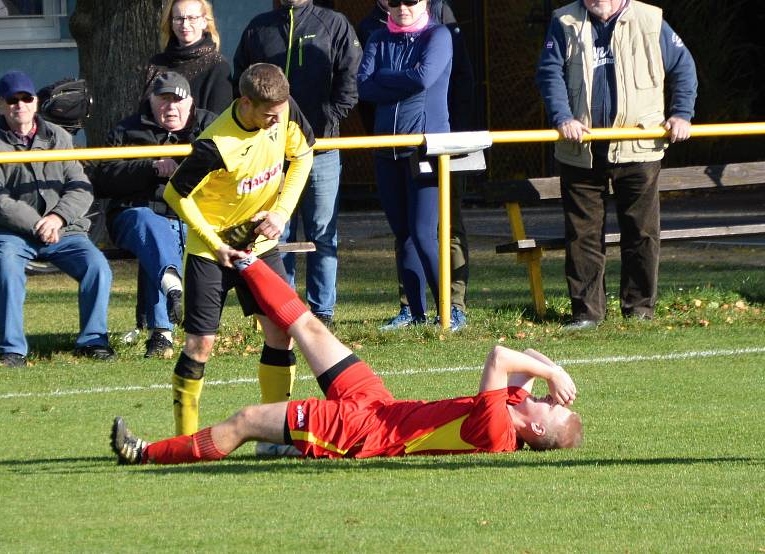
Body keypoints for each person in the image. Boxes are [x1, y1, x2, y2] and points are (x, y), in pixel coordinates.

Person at [111, 253, 582, 464]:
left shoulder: (498, 433)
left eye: (550, 406)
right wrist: (551, 369)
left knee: (247, 418)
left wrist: (555, 371)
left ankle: (146, 454)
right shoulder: (516, 403)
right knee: (310, 326)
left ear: (536, 429)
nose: (544, 395)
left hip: (363, 433)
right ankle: (246, 258)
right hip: (379, 405)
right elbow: (528, 359)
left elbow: (501, 355)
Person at [162, 63, 315, 451]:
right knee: (200, 345)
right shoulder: (215, 145)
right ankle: (184, 443)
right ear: (245, 103)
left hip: (259, 249)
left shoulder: (283, 108)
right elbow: (174, 194)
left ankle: (275, 436)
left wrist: (281, 213)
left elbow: (304, 155)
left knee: (281, 333)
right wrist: (214, 243)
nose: (276, 119)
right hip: (211, 252)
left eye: (280, 112)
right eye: (268, 114)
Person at [536, 0, 697, 330]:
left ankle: (639, 311)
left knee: (641, 233)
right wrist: (563, 117)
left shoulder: (651, 19)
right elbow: (549, 72)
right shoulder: (563, 20)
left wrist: (681, 113)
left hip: (639, 148)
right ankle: (587, 314)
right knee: (582, 236)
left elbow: (684, 67)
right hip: (580, 149)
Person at [0, 71, 114, 367]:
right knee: (7, 270)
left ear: (35, 103)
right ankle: (12, 350)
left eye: (26, 98)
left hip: (65, 230)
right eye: (12, 100)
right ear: (0, 105)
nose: (19, 105)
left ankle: (93, 341)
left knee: (97, 267)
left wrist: (58, 218)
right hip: (12, 233)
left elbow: (80, 185)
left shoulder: (58, 137)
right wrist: (38, 223)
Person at [232, 0, 362, 327]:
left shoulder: (334, 23)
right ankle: (282, 307)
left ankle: (322, 313)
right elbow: (240, 80)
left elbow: (350, 79)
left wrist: (325, 121)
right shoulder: (258, 27)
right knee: (274, 230)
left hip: (321, 151)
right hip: (271, 152)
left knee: (322, 231)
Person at [358, 0, 474, 332]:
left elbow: (424, 79)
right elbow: (363, 86)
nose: (402, 7)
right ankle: (415, 314)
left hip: (425, 150)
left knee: (425, 234)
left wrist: (385, 77)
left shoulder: (438, 35)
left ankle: (448, 312)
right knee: (404, 235)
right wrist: (398, 79)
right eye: (395, 1)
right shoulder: (378, 38)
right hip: (385, 151)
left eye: (411, 1)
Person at [90, 73, 217, 358]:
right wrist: (151, 167)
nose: (171, 107)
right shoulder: (127, 130)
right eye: (164, 100)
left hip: (192, 215)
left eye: (178, 100)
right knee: (155, 228)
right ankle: (169, 303)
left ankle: (162, 333)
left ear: (191, 102)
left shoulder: (209, 125)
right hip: (136, 216)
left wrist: (183, 167)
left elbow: (226, 165)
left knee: (164, 239)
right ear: (151, 101)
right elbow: (104, 178)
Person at [145, 0, 233, 115]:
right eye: (179, 19)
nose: (185, 25)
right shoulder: (157, 63)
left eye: (192, 18)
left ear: (204, 22)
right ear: (171, 23)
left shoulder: (218, 66)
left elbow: (218, 120)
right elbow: (144, 113)